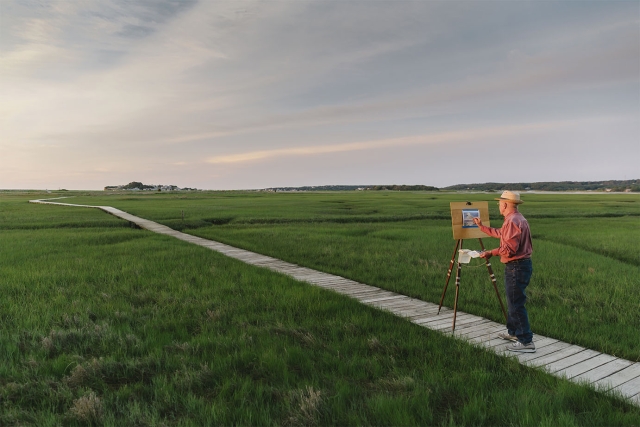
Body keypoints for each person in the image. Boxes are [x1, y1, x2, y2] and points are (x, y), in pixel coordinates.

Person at [472, 190, 535, 353]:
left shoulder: (513, 220)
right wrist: (481, 227)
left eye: (499, 203)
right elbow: (502, 234)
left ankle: (526, 341)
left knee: (516, 303)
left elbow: (509, 249)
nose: (498, 205)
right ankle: (514, 333)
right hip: (521, 266)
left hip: (516, 267)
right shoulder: (516, 219)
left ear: (505, 204)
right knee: (513, 301)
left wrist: (489, 253)